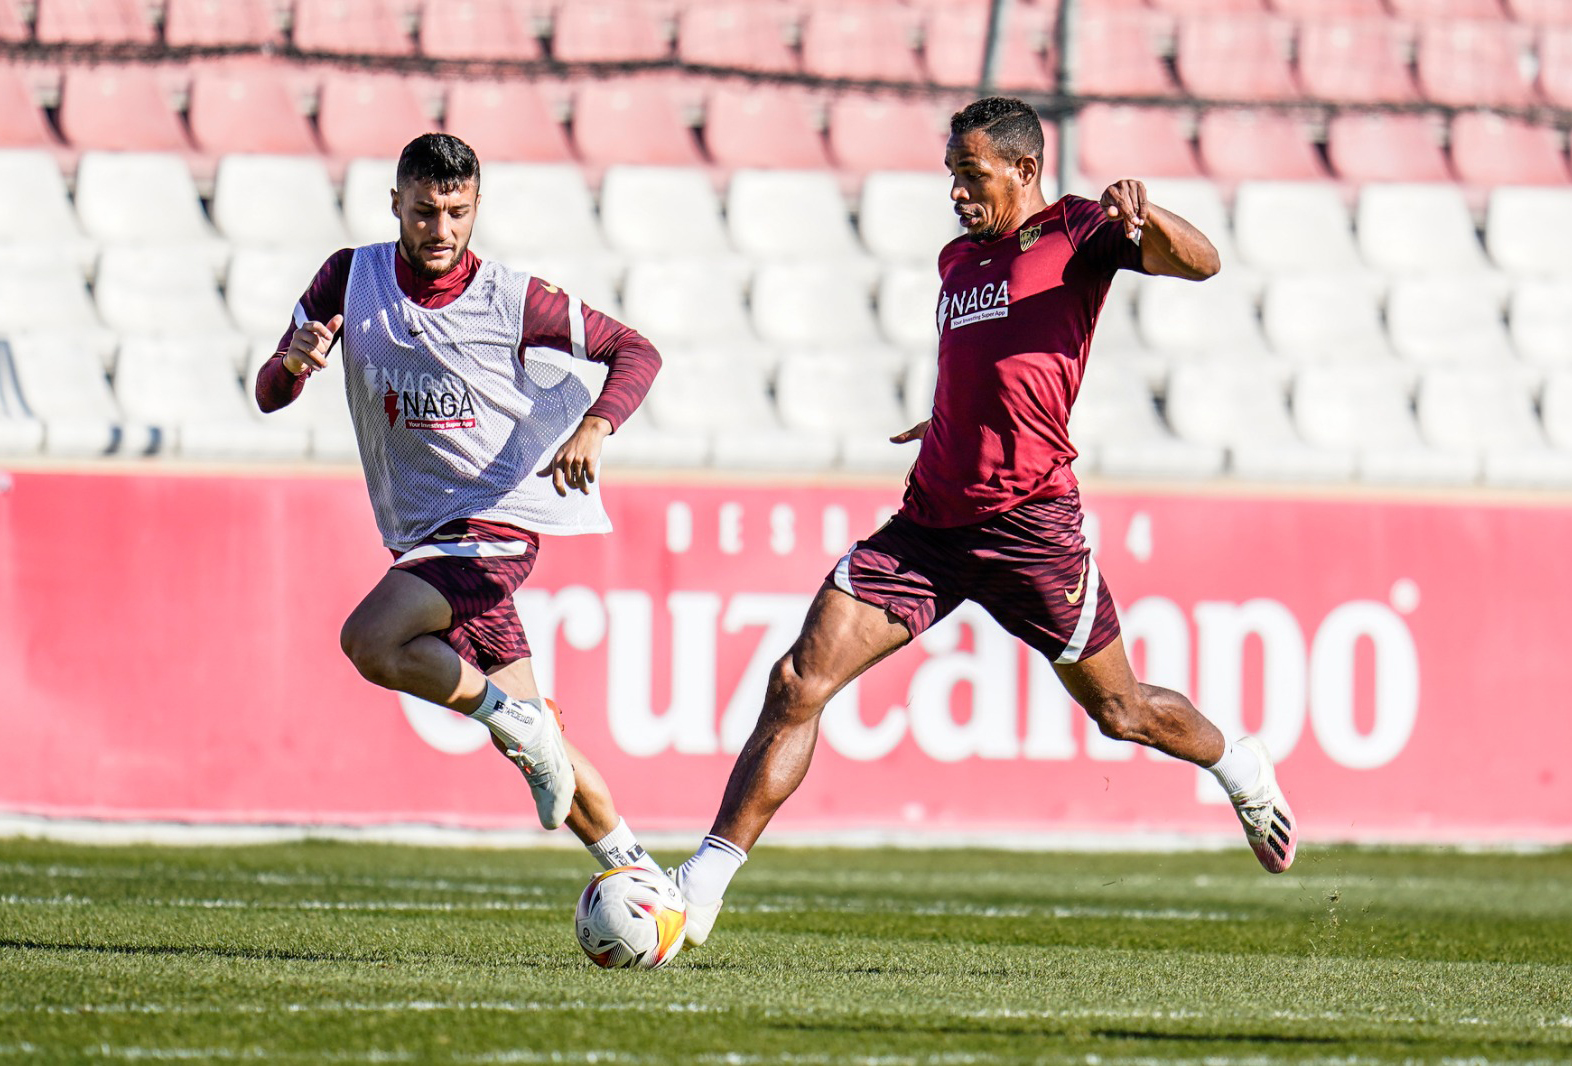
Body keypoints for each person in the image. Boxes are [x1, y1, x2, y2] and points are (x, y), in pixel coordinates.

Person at [672, 97, 1297, 948]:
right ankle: (699, 889)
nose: (958, 193)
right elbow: (990, 364)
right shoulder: (957, 260)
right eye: (951, 176)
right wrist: (947, 421)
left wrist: (1148, 215)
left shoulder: (1082, 231)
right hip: (927, 525)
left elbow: (1205, 262)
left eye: (972, 176)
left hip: (1031, 529)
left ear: (1024, 170)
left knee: (1122, 712)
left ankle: (1239, 767)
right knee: (796, 683)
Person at [256, 132, 667, 877]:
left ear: (476, 207)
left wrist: (596, 426)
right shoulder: (348, 279)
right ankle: (640, 876)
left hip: (498, 521)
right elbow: (268, 395)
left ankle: (516, 724)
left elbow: (637, 350)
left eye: (456, 212)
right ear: (395, 206)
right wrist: (293, 363)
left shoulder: (513, 298)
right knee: (541, 748)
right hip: (423, 537)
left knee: (370, 641)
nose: (439, 230)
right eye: (423, 212)